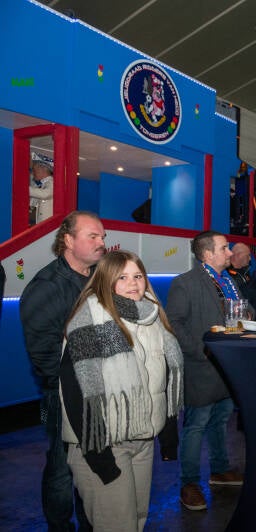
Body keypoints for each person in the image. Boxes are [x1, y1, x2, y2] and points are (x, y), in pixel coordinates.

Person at [60, 250, 183, 530]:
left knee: (137, 520)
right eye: (122, 277)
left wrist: (166, 432)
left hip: (142, 440)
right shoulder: (89, 320)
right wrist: (99, 457)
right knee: (116, 525)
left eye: (138, 276)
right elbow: (77, 392)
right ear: (105, 281)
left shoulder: (152, 317)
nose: (133, 283)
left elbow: (160, 382)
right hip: (102, 443)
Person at [20, 210, 105, 531]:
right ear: (67, 240)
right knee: (61, 467)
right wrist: (72, 384)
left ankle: (89, 522)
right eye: (92, 236)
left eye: (103, 236)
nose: (101, 243)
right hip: (65, 394)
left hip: (101, 392)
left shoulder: (100, 277)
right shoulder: (47, 286)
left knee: (93, 466)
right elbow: (43, 352)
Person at [166, 230, 243, 511]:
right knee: (196, 425)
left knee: (221, 419)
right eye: (224, 248)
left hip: (228, 367)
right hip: (202, 367)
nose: (230, 253)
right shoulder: (184, 284)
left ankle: (219, 470)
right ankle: (189, 483)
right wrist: (202, 351)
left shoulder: (229, 281)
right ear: (208, 254)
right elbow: (173, 323)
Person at [226, 242, 256, 315]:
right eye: (248, 255)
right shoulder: (226, 275)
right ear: (239, 255)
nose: (250, 258)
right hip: (235, 314)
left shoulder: (246, 273)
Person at [30, 152, 55, 225]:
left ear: (43, 169)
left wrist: (24, 189)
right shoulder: (38, 185)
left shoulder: (52, 182)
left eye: (34, 170)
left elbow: (45, 194)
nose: (33, 172)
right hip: (35, 223)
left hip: (47, 225)